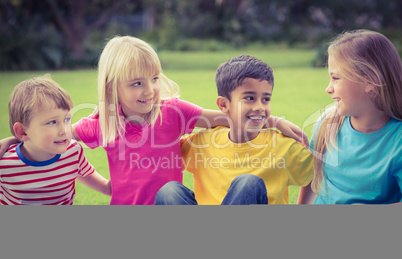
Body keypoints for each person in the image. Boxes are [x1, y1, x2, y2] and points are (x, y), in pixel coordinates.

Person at [0, 36, 306, 205]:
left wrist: (274, 120)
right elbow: (59, 135)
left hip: (170, 207)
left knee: (171, 192)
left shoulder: (173, 111)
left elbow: (226, 118)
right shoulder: (103, 123)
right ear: (111, 87)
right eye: (136, 83)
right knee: (169, 194)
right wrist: (13, 141)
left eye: (154, 79)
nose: (149, 91)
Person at [155, 55, 314, 205]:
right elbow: (163, 156)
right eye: (250, 98)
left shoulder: (283, 147)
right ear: (224, 105)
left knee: (247, 183)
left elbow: (317, 176)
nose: (260, 107)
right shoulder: (202, 142)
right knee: (169, 191)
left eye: (266, 99)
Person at [297, 30, 402, 204]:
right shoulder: (327, 123)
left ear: (369, 81)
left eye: (335, 78)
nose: (328, 88)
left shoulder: (397, 141)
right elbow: (311, 179)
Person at [0, 75, 111, 205]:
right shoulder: (5, 164)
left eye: (67, 119)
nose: (64, 130)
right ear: (22, 131)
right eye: (52, 122)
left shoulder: (73, 153)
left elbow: (106, 188)